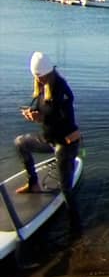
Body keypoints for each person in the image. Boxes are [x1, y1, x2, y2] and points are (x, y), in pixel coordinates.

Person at [15, 51, 82, 225]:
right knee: (20, 143)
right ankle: (33, 184)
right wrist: (32, 114)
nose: (39, 80)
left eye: (42, 76)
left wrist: (42, 118)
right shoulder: (41, 87)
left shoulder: (62, 89)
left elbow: (65, 120)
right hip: (48, 139)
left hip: (65, 143)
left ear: (49, 73)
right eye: (37, 77)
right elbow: (45, 114)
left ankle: (75, 224)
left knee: (65, 189)